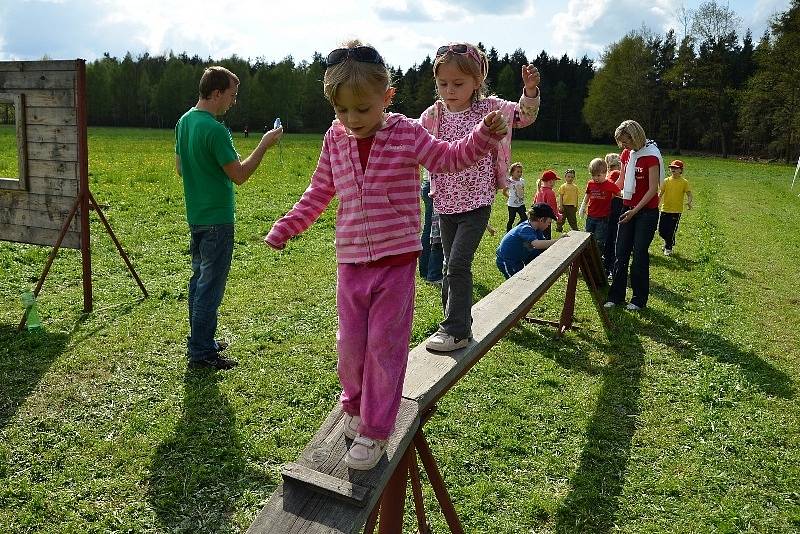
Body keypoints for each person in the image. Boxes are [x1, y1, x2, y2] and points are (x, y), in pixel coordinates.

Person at [264, 40, 508, 469]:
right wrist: (289, 225)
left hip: (396, 261)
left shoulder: (407, 133)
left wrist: (483, 137)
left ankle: (376, 430)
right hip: (351, 261)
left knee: (384, 346)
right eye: (342, 111)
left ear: (387, 97)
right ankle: (354, 406)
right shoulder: (335, 139)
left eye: (362, 109)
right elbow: (320, 190)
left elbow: (448, 160)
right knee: (350, 345)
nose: (352, 120)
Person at [419, 42, 540, 352]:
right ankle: (453, 323)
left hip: (477, 203)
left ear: (478, 81)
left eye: (458, 83)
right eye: (443, 83)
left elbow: (523, 116)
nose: (449, 90)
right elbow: (412, 140)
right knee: (449, 264)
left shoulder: (489, 109)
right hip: (444, 203)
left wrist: (529, 92)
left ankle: (456, 330)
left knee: (457, 264)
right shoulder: (434, 115)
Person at [175, 66, 283, 370]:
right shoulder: (214, 129)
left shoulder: (184, 122)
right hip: (217, 221)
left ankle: (201, 340)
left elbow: (180, 168)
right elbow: (240, 175)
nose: (233, 102)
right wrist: (264, 144)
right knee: (210, 286)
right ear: (216, 93)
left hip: (196, 216)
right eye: (232, 96)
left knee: (198, 281)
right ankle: (201, 352)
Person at [604, 120, 663, 311]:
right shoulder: (626, 154)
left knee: (639, 255)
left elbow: (653, 189)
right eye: (620, 142)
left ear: (635, 136)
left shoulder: (651, 156)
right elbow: (620, 181)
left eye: (625, 141)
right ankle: (616, 296)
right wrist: (605, 190)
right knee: (620, 253)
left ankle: (638, 299)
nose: (622, 146)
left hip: (646, 213)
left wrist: (634, 211)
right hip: (626, 209)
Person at [496, 203, 562, 279]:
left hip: (518, 258)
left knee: (523, 278)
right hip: (507, 260)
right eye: (549, 223)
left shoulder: (537, 230)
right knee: (515, 282)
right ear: (541, 220)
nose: (548, 225)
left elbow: (542, 247)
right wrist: (558, 241)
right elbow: (537, 244)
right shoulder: (525, 228)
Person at [578, 157, 620, 257]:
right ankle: (587, 256)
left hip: (603, 218)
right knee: (587, 237)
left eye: (598, 175)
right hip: (591, 216)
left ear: (605, 173)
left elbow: (619, 193)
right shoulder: (591, 183)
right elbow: (587, 194)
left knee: (599, 240)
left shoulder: (610, 185)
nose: (595, 178)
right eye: (593, 175)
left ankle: (597, 257)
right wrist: (583, 206)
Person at [658, 159, 693, 256]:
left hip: (676, 211)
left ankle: (668, 248)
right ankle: (668, 241)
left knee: (671, 231)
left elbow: (689, 194)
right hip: (665, 209)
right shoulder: (666, 181)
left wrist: (689, 202)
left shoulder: (684, 182)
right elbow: (660, 194)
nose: (673, 169)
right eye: (671, 167)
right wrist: (656, 203)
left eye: (675, 168)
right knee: (661, 231)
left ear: (681, 170)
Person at [603, 152, 623, 277]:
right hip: (612, 211)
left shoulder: (616, 175)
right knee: (611, 239)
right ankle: (608, 266)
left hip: (615, 210)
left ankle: (610, 267)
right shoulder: (613, 176)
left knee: (612, 239)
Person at [533, 169, 561, 240]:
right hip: (546, 220)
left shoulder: (539, 190)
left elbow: (534, 204)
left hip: (537, 219)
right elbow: (552, 207)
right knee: (546, 237)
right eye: (554, 181)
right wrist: (557, 216)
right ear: (551, 181)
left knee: (539, 236)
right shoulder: (550, 192)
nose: (554, 183)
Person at [503, 162, 527, 232]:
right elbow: (504, 192)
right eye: (518, 172)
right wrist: (509, 197)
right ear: (512, 172)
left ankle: (515, 229)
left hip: (521, 204)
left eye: (521, 172)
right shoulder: (509, 181)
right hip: (512, 205)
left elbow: (522, 191)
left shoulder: (522, 181)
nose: (520, 173)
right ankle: (508, 233)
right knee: (511, 220)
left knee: (525, 218)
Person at [556, 168, 580, 232]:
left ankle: (575, 229)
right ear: (565, 177)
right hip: (564, 205)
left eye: (572, 177)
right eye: (568, 177)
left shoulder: (575, 187)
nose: (570, 178)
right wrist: (560, 205)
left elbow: (576, 197)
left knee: (572, 219)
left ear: (574, 178)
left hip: (572, 206)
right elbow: (560, 196)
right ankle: (559, 228)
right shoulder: (563, 186)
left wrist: (576, 205)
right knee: (561, 218)